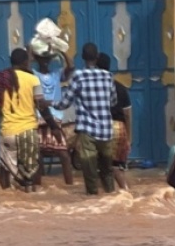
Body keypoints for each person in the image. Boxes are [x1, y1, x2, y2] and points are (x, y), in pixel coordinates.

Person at [0, 48, 56, 192]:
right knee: (31, 170)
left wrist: (2, 113)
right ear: (25, 62)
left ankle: (5, 202)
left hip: (8, 132)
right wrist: (54, 127)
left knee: (5, 170)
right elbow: (42, 106)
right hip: (28, 132)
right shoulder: (33, 79)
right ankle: (33, 200)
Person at [56, 44, 118, 195]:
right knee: (107, 170)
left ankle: (92, 200)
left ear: (83, 58)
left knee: (89, 171)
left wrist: (51, 104)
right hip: (106, 130)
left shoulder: (78, 76)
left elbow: (65, 103)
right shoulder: (108, 76)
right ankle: (111, 197)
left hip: (88, 130)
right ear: (97, 57)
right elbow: (113, 102)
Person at [32, 50, 75, 188]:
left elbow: (71, 67)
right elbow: (25, 65)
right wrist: (31, 51)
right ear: (37, 60)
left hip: (55, 120)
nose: (45, 61)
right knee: (37, 155)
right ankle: (39, 187)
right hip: (39, 119)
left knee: (63, 154)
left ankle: (70, 185)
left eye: (47, 59)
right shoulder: (33, 74)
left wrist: (61, 50)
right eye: (41, 59)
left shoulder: (56, 74)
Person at [102, 54, 133, 192]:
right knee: (118, 166)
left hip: (103, 127)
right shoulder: (120, 88)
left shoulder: (96, 88)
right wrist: (129, 138)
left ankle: (123, 193)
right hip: (120, 128)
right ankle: (124, 194)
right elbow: (127, 114)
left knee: (106, 167)